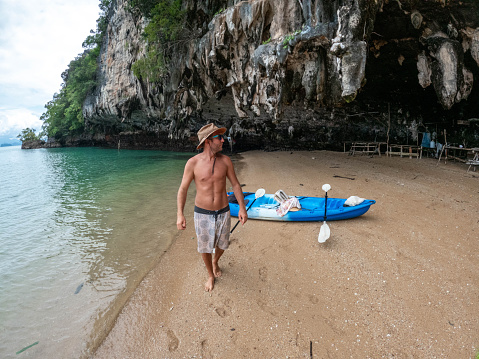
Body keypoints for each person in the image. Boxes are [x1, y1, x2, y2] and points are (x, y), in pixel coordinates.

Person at [177, 123, 248, 292]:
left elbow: (236, 185)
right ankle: (210, 274)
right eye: (219, 137)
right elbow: (183, 189)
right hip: (202, 213)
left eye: (223, 137)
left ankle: (216, 260)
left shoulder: (226, 161)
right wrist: (180, 214)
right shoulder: (192, 163)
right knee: (205, 247)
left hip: (223, 211)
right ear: (208, 141)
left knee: (223, 245)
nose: (224, 140)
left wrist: (242, 209)